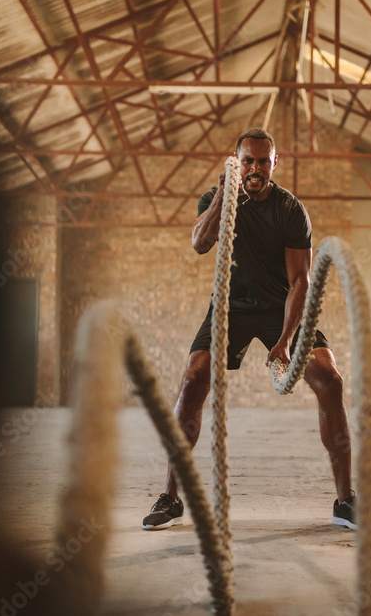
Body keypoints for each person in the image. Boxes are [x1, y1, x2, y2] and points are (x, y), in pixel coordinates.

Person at [142, 127, 356, 531]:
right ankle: (170, 498)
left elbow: (301, 282)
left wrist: (286, 339)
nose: (255, 168)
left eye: (263, 161)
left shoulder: (291, 210)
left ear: (274, 164)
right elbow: (199, 243)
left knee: (330, 380)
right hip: (230, 307)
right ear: (237, 162)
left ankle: (345, 500)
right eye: (248, 161)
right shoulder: (216, 199)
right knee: (192, 379)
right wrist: (226, 194)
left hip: (282, 307)